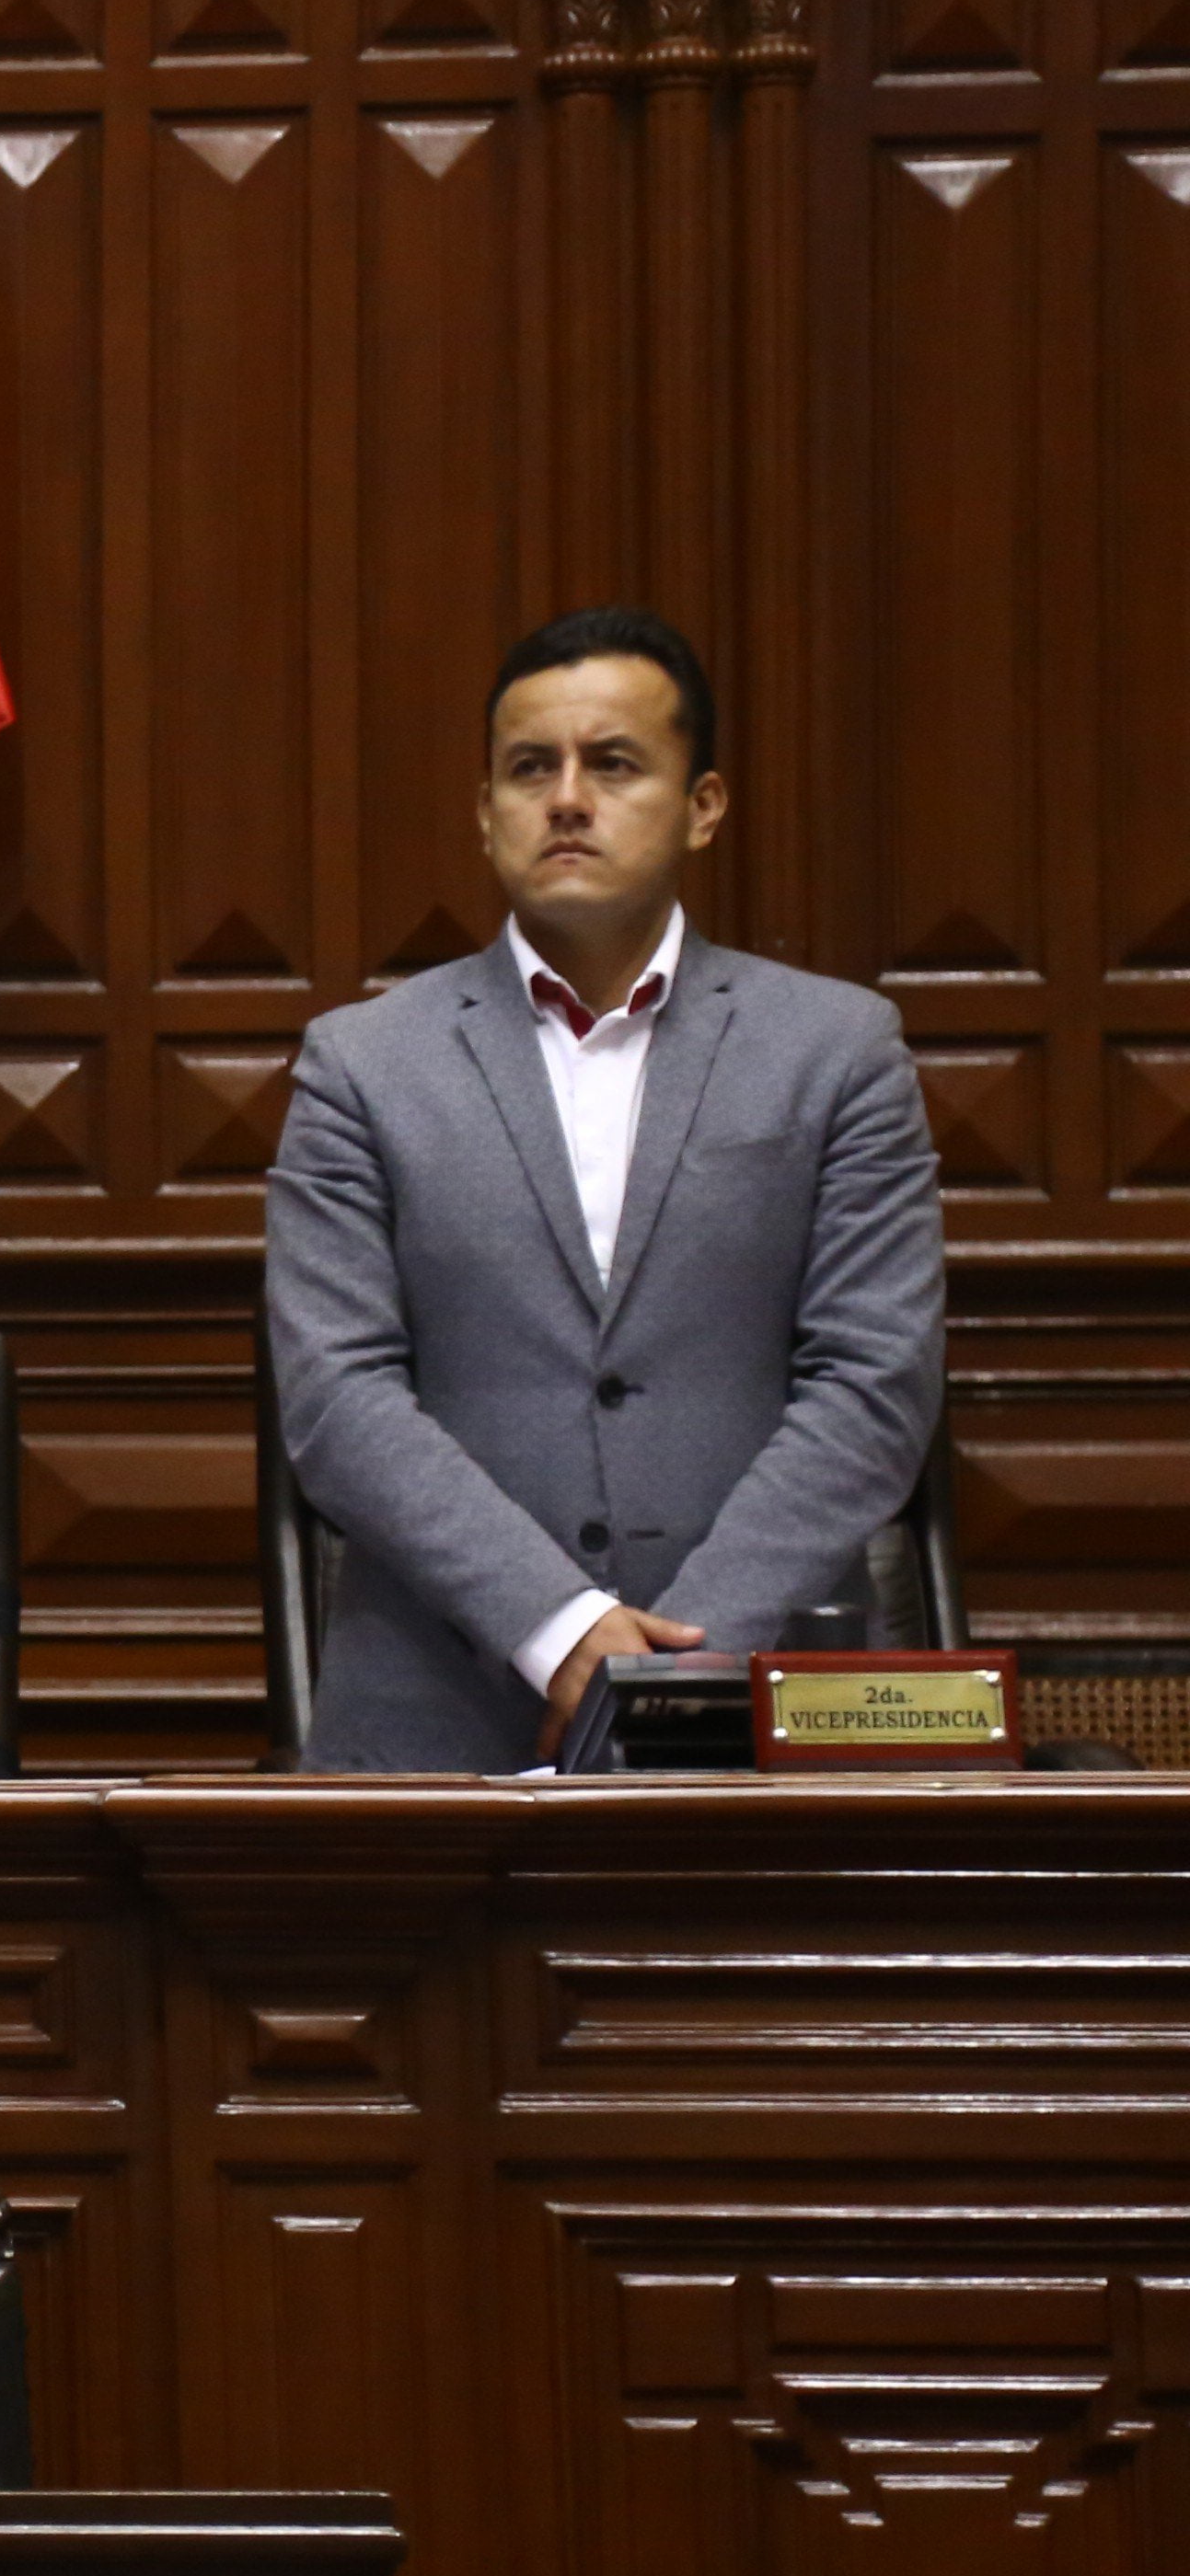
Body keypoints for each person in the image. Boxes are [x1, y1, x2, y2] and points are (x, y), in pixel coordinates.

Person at [265, 608, 941, 1769]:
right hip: (436, 1725)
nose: (567, 798)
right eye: (532, 768)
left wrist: (680, 1668)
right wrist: (562, 1629)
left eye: (613, 764)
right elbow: (336, 1397)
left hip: (765, 1713)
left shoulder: (837, 1050)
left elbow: (874, 1383)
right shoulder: (361, 1065)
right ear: (485, 812)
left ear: (704, 805)